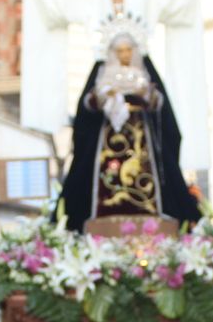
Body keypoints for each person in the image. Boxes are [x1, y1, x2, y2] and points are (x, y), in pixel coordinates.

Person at [55, 28, 199, 232]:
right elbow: (87, 108)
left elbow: (161, 108)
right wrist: (105, 97)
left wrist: (145, 95)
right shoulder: (103, 74)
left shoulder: (144, 74)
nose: (125, 55)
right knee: (104, 179)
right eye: (120, 51)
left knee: (146, 176)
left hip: (141, 135)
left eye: (128, 50)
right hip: (108, 137)